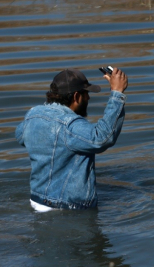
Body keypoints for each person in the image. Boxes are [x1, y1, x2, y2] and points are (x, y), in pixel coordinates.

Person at [15, 67, 128, 211]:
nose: (88, 98)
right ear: (76, 97)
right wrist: (117, 94)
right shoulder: (70, 125)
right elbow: (103, 138)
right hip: (68, 209)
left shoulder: (32, 115)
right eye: (86, 93)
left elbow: (20, 136)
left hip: (37, 201)